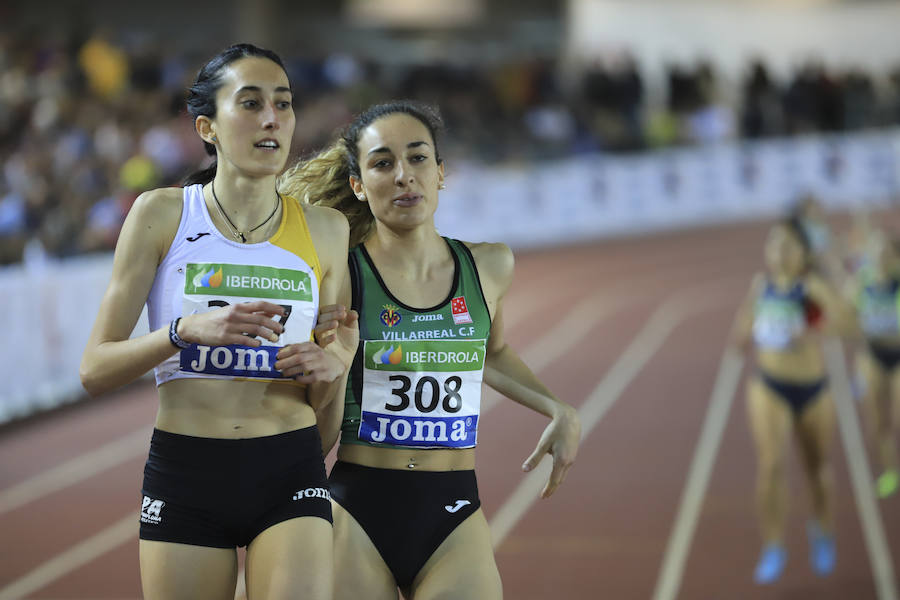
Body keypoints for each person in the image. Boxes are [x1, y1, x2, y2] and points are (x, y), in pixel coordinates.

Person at [79, 43, 356, 600]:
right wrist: (181, 334)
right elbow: (94, 368)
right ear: (207, 126)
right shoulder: (162, 215)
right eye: (250, 103)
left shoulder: (326, 230)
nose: (272, 118)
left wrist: (335, 368)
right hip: (186, 471)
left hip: (290, 466)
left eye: (283, 103)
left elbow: (327, 426)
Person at [279, 100, 581, 599]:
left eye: (418, 158)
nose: (404, 176)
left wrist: (557, 407)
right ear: (358, 184)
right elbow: (315, 438)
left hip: (453, 510)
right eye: (382, 163)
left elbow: (491, 351)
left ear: (441, 173)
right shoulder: (341, 278)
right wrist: (334, 372)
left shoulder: (488, 266)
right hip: (358, 507)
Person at [730, 216, 855, 585]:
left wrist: (815, 328)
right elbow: (738, 341)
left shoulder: (812, 285)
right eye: (773, 244)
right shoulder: (761, 286)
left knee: (816, 467)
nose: (778, 252)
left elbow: (849, 324)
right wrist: (752, 328)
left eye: (787, 245)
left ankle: (823, 530)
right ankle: (773, 545)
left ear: (803, 252)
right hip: (769, 386)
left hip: (813, 389)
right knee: (770, 465)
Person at [846, 229, 900, 498]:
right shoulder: (861, 284)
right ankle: (890, 472)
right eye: (876, 253)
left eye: (886, 253)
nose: (881, 258)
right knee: (878, 422)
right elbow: (847, 318)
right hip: (873, 357)